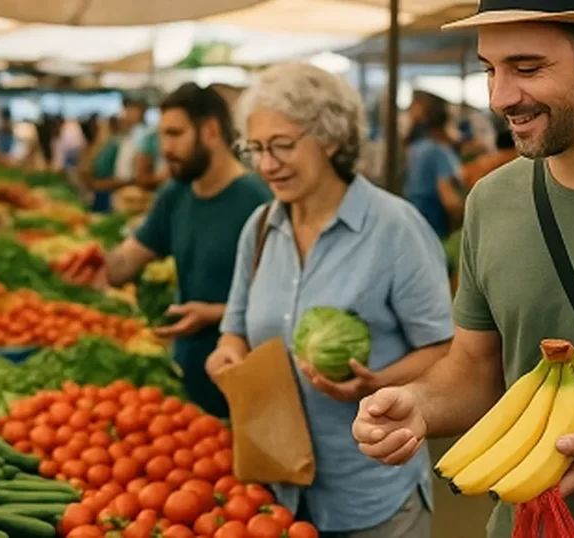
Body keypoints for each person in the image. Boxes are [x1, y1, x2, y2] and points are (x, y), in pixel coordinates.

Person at [352, 3, 574, 538]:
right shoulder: (491, 200)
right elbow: (474, 369)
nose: (500, 98)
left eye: (528, 67)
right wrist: (418, 405)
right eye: (490, 69)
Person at [204, 62, 453, 538]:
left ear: (332, 138)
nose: (267, 164)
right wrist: (228, 354)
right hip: (277, 493)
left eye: (281, 145)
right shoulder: (259, 228)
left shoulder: (394, 228)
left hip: (374, 494)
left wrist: (376, 383)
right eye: (256, 149)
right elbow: (233, 326)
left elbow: (444, 350)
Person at [61, 83, 272, 418]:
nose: (165, 148)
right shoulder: (175, 195)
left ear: (211, 131)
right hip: (185, 372)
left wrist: (216, 314)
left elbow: (282, 303)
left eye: (175, 134)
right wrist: (97, 264)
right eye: (162, 135)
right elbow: (129, 260)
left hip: (244, 378)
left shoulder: (257, 201)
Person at [403, 91, 464, 239]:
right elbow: (450, 201)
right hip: (434, 232)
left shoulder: (416, 147)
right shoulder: (440, 152)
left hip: (413, 226)